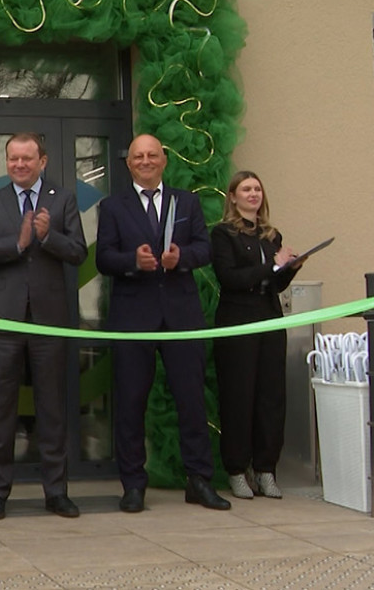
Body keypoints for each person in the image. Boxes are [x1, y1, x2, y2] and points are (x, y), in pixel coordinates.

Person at [95, 133, 230, 513]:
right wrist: (132, 262)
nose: (146, 161)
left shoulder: (186, 202)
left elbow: (204, 248)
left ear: (163, 161)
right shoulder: (113, 206)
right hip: (132, 317)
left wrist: (181, 257)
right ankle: (133, 485)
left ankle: (199, 480)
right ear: (129, 163)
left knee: (192, 401)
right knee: (130, 403)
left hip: (181, 315)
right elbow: (104, 258)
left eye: (152, 155)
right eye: (138, 156)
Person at [0, 133, 88, 520]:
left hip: (49, 321)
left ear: (43, 161)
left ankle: (56, 492)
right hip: (3, 320)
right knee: (0, 409)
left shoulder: (62, 199)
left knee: (52, 409)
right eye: (13, 159)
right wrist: (17, 245)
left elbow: (79, 252)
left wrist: (48, 237)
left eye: (27, 158)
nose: (19, 164)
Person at [211, 171, 301, 500]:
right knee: (239, 396)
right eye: (246, 189)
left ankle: (266, 469)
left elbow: (272, 283)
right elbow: (230, 278)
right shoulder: (223, 234)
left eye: (257, 189)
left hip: (269, 319)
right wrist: (272, 265)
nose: (253, 194)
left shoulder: (271, 235)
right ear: (233, 197)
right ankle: (237, 469)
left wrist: (288, 270)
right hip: (237, 322)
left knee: (270, 397)